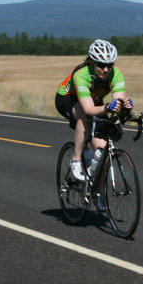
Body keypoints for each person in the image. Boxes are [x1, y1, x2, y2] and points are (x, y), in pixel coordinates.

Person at [55, 39, 133, 181]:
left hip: (94, 100)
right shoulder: (82, 74)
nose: (105, 69)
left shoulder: (116, 75)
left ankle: (97, 194)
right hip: (68, 99)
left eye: (109, 65)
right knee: (84, 116)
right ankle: (77, 160)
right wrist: (107, 107)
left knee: (102, 152)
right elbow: (89, 109)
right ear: (92, 62)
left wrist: (125, 107)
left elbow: (118, 103)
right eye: (101, 65)